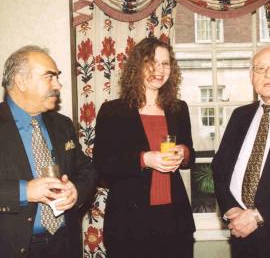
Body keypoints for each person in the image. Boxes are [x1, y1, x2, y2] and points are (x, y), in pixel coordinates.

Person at [93, 37, 195, 258]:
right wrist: (144, 159)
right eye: (152, 62)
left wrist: (183, 153)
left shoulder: (179, 108)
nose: (159, 70)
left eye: (165, 63)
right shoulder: (112, 111)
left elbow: (190, 156)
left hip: (174, 219)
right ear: (137, 66)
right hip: (129, 223)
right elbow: (101, 166)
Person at [0, 45, 97, 258]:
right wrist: (25, 192)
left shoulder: (62, 124)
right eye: (49, 77)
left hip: (64, 244)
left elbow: (86, 169)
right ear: (21, 81)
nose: (58, 85)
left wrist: (76, 190)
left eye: (57, 77)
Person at [212, 45, 270, 258]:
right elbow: (219, 169)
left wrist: (258, 216)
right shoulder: (240, 116)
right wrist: (230, 209)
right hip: (241, 237)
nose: (267, 75)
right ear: (251, 76)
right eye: (260, 68)